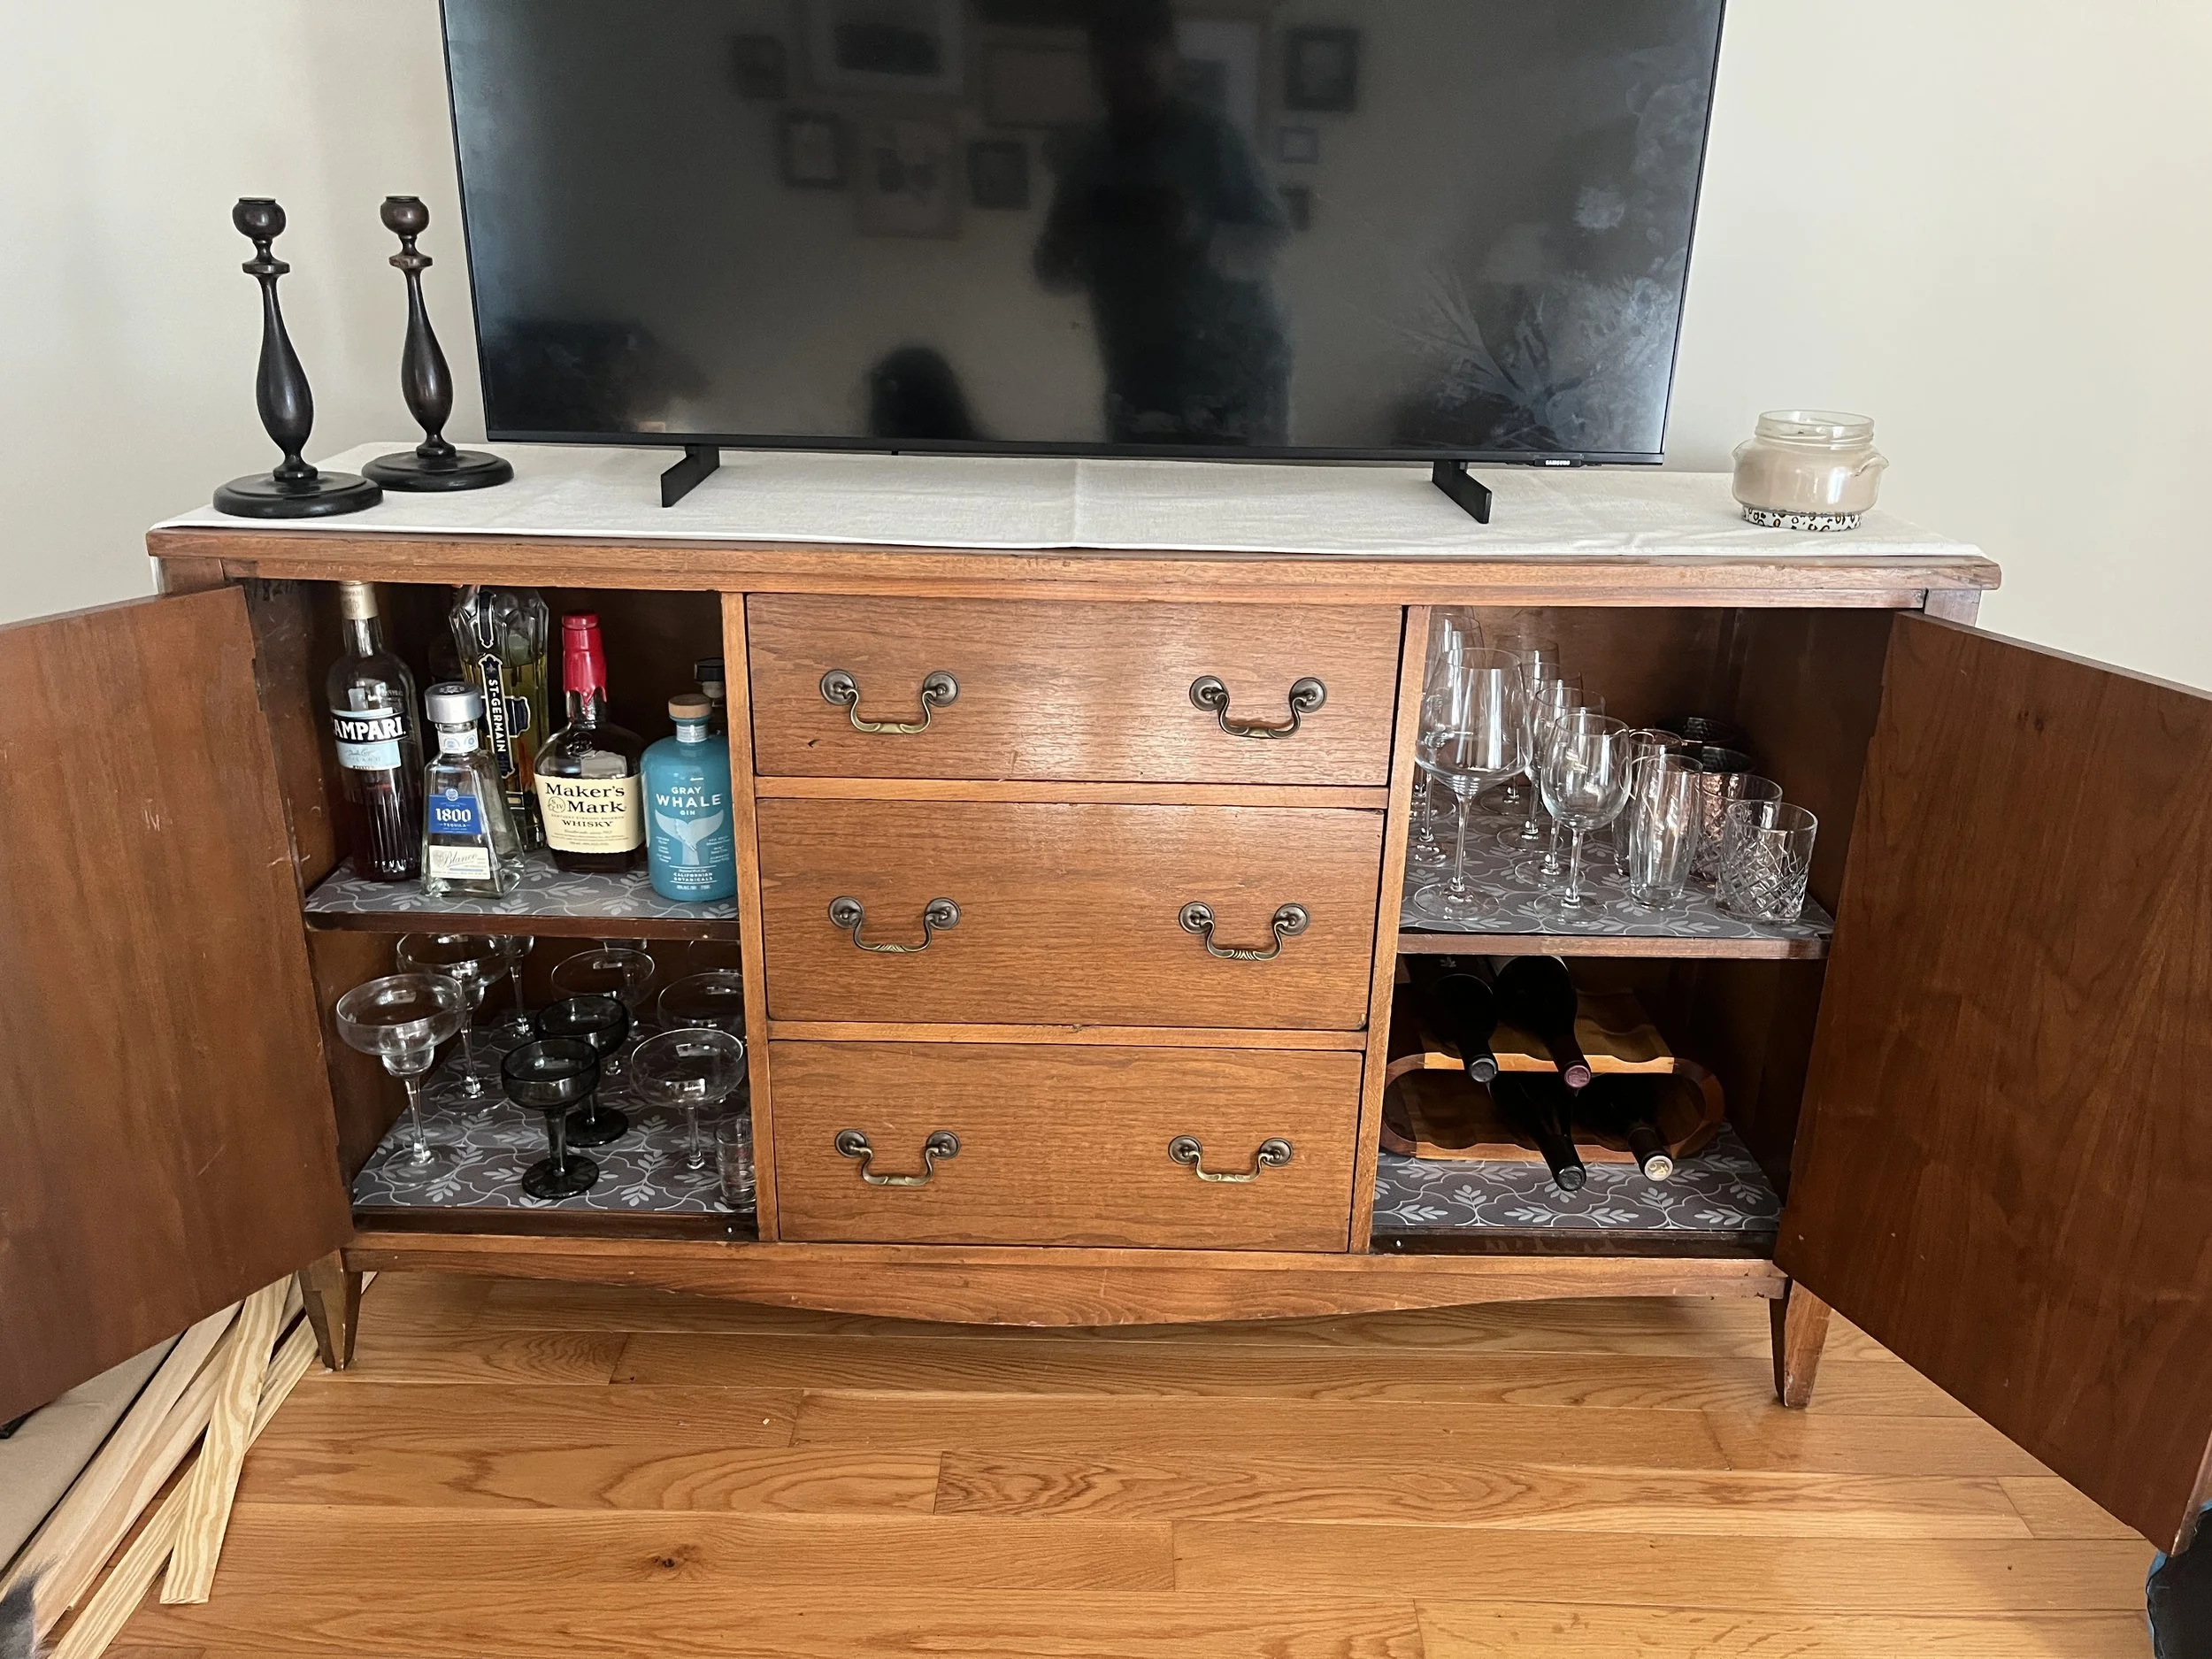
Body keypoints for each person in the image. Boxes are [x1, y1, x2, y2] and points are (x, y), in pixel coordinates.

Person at [1033, 0, 1292, 445]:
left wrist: (1192, 228)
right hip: (1138, 391)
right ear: (1096, 71)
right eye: (1116, 81)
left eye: (1143, 79)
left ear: (1171, 62)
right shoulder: (1087, 157)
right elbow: (1050, 273)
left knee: (1243, 512)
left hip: (1235, 392)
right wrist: (1067, 232)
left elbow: (1270, 244)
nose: (1130, 95)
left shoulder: (1216, 139)